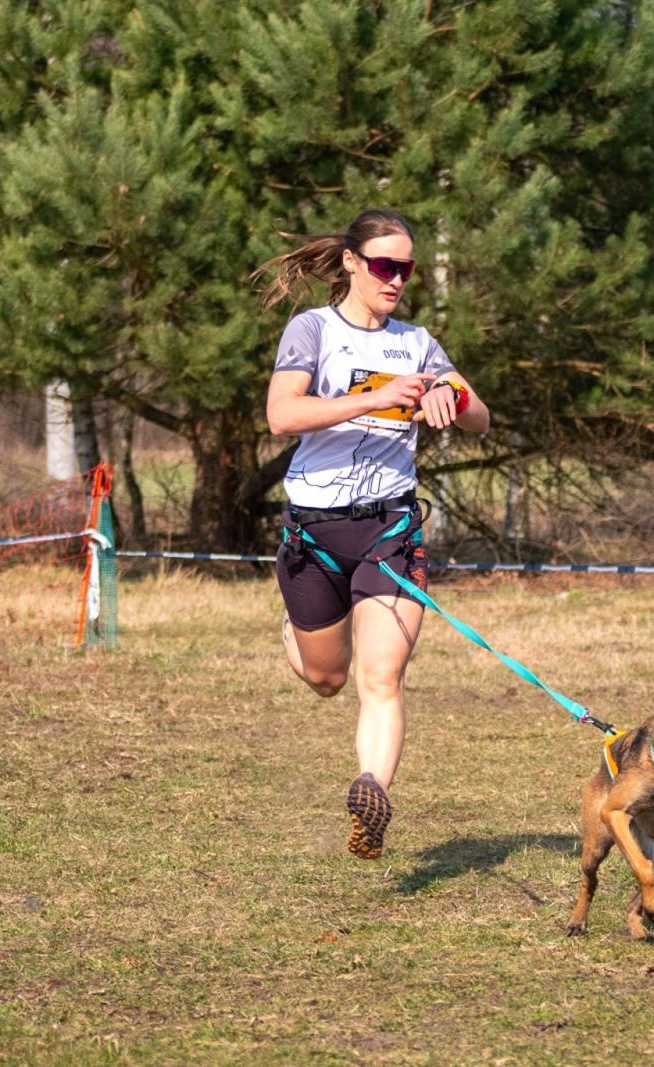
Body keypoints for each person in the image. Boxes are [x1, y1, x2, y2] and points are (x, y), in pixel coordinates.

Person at [255, 209, 490, 859]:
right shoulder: (314, 330)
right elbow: (283, 414)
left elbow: (482, 418)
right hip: (315, 534)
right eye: (386, 266)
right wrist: (374, 395)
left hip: (389, 530)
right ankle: (296, 634)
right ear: (354, 263)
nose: (397, 280)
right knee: (327, 676)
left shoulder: (417, 343)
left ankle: (370, 791)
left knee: (381, 676)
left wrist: (452, 396)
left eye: (406, 268)